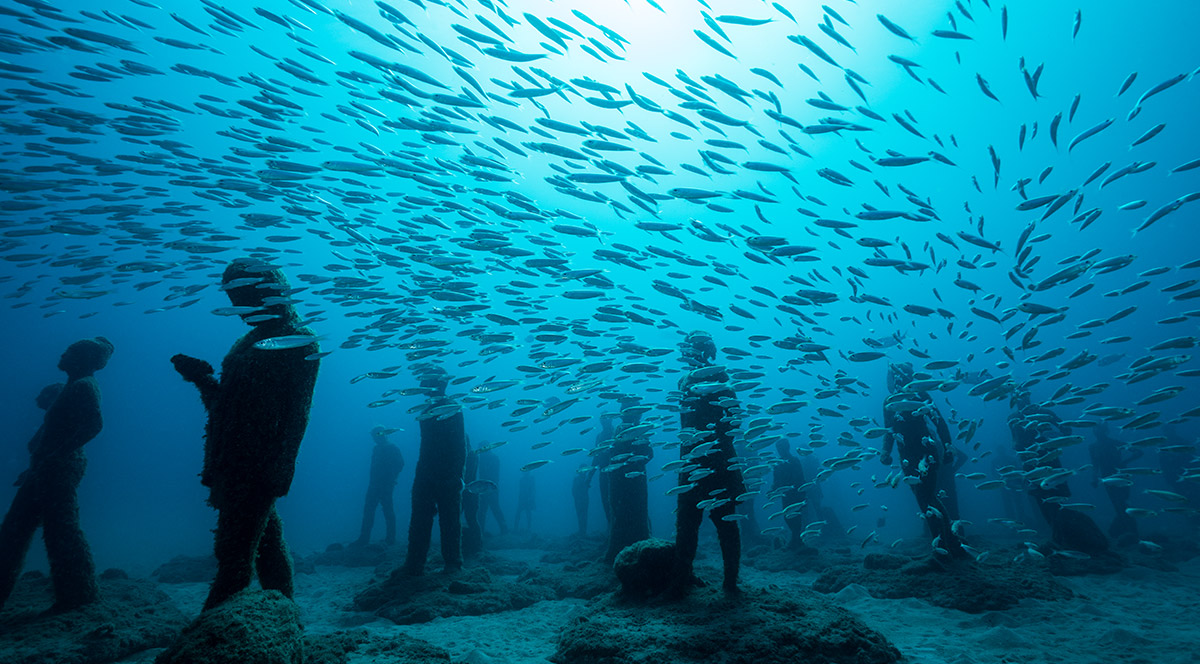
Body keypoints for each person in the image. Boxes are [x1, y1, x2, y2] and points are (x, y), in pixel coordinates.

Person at [173, 258, 319, 610]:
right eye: (232, 296)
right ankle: (285, 620)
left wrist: (280, 469)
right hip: (232, 460)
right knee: (265, 546)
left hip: (257, 464)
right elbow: (226, 406)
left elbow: (297, 414)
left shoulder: (298, 341)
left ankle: (212, 637)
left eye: (242, 296)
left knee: (234, 554)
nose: (236, 307)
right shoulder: (248, 340)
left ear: (266, 292)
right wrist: (201, 380)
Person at [0, 338, 113, 612]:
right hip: (46, 468)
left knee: (60, 531)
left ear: (84, 358)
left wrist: (57, 455)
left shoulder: (84, 385)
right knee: (16, 530)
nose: (63, 354)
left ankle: (78, 596)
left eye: (71, 351)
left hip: (59, 469)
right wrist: (35, 466)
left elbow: (94, 425)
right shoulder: (74, 386)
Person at [671, 330, 745, 595]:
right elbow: (734, 420)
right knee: (707, 523)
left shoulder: (718, 380)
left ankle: (722, 581)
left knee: (698, 523)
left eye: (693, 350)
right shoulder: (687, 381)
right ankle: (709, 579)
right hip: (704, 461)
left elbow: (733, 419)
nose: (688, 355)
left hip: (708, 462)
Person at [881, 362, 967, 559]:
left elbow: (939, 422)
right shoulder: (889, 401)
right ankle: (949, 544)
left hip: (925, 452)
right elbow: (889, 430)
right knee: (927, 500)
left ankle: (943, 547)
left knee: (926, 499)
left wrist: (947, 447)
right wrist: (885, 451)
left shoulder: (921, 395)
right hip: (907, 458)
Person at [1009, 390, 1108, 555]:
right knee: (1043, 496)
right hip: (1037, 461)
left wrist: (1049, 438)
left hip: (1046, 459)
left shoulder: (1036, 413)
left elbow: (1066, 431)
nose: (1021, 401)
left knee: (1050, 496)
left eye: (1023, 398)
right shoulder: (1026, 415)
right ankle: (1058, 533)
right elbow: (1066, 431)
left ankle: (1062, 533)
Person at [401, 368, 466, 575]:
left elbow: (459, 445)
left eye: (425, 381)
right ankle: (414, 564)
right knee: (420, 519)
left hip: (446, 473)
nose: (420, 386)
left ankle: (453, 564)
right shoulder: (425, 410)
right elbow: (426, 446)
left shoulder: (452, 407)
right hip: (426, 472)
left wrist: (456, 475)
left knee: (449, 519)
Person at [605, 395, 652, 562]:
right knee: (631, 514)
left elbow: (647, 454)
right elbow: (648, 454)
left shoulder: (625, 429)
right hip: (628, 480)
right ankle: (630, 551)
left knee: (627, 514)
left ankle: (634, 551)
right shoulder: (626, 429)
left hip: (627, 480)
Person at [1088, 422, 1142, 545]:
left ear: (1105, 431)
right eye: (1095, 430)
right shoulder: (1093, 447)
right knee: (1119, 505)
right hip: (1107, 479)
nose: (1096, 432)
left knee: (1122, 504)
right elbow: (1095, 465)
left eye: (1099, 430)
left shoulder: (1113, 442)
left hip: (1120, 476)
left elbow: (1138, 451)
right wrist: (1094, 478)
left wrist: (1123, 463)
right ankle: (1124, 531)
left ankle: (1128, 532)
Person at [354, 426, 404, 547]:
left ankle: (390, 539)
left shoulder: (392, 448)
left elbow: (400, 464)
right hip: (374, 484)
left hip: (385, 485)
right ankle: (364, 538)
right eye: (373, 436)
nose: (374, 438)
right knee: (370, 511)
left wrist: (391, 478)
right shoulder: (376, 449)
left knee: (386, 511)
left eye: (375, 435)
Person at [772, 440, 808, 551]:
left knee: (796, 516)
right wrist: (772, 489)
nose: (780, 450)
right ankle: (795, 538)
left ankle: (796, 539)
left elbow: (801, 477)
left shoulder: (794, 461)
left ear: (787, 447)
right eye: (778, 448)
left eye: (782, 447)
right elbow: (776, 480)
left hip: (796, 493)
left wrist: (802, 493)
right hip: (785, 495)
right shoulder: (778, 463)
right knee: (787, 516)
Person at [476, 446, 506, 535]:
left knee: (485, 510)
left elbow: (488, 474)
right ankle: (504, 529)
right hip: (490, 487)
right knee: (493, 509)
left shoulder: (484, 458)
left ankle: (481, 531)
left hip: (488, 488)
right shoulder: (493, 458)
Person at [461, 438, 483, 557]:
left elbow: (466, 474)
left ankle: (476, 545)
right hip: (472, 492)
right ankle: (478, 545)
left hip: (467, 491)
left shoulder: (468, 455)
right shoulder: (474, 454)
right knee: (472, 519)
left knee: (470, 518)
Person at [571, 463, 595, 537]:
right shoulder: (579, 479)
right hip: (579, 500)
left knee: (584, 515)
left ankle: (583, 531)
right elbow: (574, 490)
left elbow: (574, 490)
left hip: (583, 500)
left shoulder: (587, 479)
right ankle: (582, 531)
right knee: (581, 515)